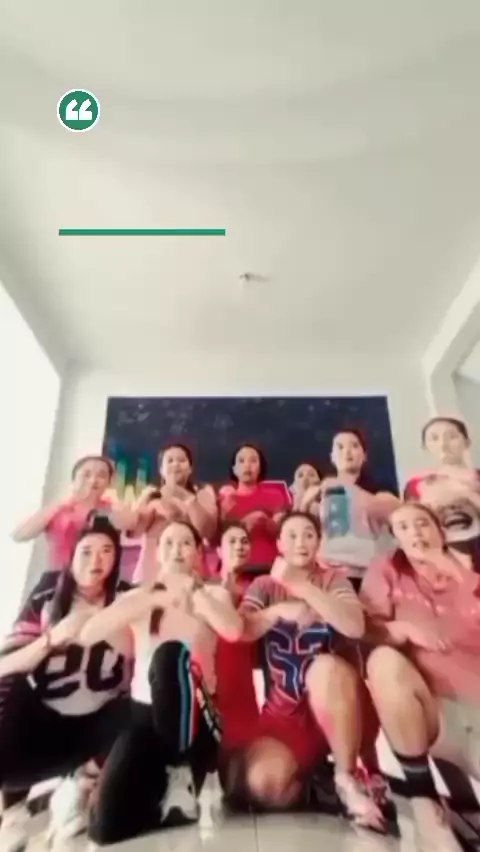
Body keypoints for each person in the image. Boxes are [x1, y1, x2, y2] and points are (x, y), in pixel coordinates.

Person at [77, 518, 243, 846]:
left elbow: (233, 630)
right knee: (104, 828)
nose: (176, 550)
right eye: (168, 543)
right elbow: (88, 634)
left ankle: (182, 772)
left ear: (198, 553)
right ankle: (158, 794)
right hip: (145, 717)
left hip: (197, 719)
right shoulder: (142, 597)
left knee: (169, 656)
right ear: (158, 553)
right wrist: (152, 599)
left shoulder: (213, 594)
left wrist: (193, 593)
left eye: (185, 543)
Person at [234, 511, 384, 829]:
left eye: (308, 534)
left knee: (325, 667)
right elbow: (242, 630)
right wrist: (277, 611)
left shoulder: (333, 580)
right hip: (283, 717)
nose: (300, 542)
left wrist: (302, 587)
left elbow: (354, 626)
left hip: (336, 708)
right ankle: (318, 779)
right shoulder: (264, 585)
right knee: (263, 784)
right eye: (291, 535)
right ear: (278, 544)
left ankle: (345, 777)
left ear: (319, 542)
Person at [0, 517, 132, 852]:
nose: (96, 560)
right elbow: (5, 664)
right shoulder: (48, 593)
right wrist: (52, 638)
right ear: (71, 556)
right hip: (39, 723)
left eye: (106, 550)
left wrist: (102, 624)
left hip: (96, 726)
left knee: (145, 701)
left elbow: (141, 657)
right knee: (8, 683)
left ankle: (82, 784)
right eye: (86, 551)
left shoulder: (125, 597)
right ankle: (12, 811)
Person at [361, 501, 480, 852]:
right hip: (430, 713)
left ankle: (465, 809)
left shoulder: (470, 574)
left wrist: (456, 573)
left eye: (422, 523)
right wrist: (399, 628)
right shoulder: (388, 568)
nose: (415, 532)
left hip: (474, 710)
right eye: (404, 527)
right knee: (383, 663)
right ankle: (424, 801)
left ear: (441, 532)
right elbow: (366, 627)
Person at [301, 429, 399, 590]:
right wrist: (304, 504)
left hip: (370, 573)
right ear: (332, 456)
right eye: (340, 447)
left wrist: (340, 487)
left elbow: (395, 513)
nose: (347, 451)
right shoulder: (320, 493)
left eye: (354, 446)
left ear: (364, 455)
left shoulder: (380, 490)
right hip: (328, 572)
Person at [11, 455, 139, 572]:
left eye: (101, 476)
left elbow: (132, 524)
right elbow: (19, 535)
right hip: (59, 577)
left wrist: (115, 510)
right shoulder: (59, 509)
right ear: (74, 479)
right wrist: (58, 507)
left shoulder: (111, 508)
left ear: (109, 483)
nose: (93, 480)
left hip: (100, 579)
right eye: (86, 475)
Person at [404, 417, 480, 562]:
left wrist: (467, 493)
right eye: (434, 438)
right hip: (444, 558)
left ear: (466, 441)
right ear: (425, 447)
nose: (443, 445)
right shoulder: (416, 484)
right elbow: (414, 526)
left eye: (452, 436)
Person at [218, 443, 290, 573]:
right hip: (235, 569)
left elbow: (283, 533)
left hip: (270, 567)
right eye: (241, 461)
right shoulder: (225, 498)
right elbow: (217, 538)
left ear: (260, 467)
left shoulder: (274, 496)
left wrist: (266, 521)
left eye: (253, 460)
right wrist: (244, 524)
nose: (247, 465)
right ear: (234, 469)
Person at [134, 443, 217, 544]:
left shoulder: (202, 492)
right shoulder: (150, 494)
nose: (175, 464)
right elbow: (135, 531)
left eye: (181, 460)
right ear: (161, 470)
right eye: (170, 461)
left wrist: (185, 496)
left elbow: (208, 531)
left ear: (190, 469)